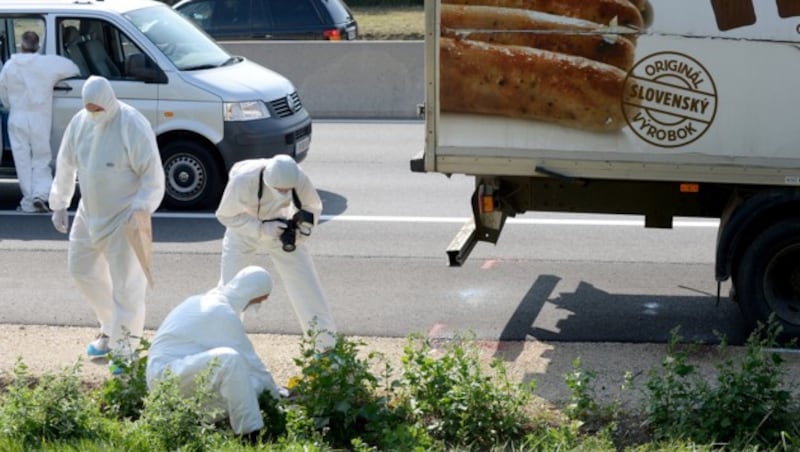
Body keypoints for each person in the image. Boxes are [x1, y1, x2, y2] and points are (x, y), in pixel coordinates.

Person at [49, 75, 165, 363]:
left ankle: (127, 351)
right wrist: (60, 203)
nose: (94, 113)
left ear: (109, 102)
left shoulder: (131, 124)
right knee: (81, 269)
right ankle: (110, 328)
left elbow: (153, 174)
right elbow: (66, 163)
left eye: (98, 108)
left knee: (128, 286)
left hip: (125, 216)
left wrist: (140, 208)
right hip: (89, 213)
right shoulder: (80, 122)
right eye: (89, 108)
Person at [216, 155, 336, 349]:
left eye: (287, 190)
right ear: (267, 181)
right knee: (229, 288)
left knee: (307, 285)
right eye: (280, 189)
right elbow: (225, 215)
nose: (284, 192)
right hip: (243, 230)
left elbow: (312, 207)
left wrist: (300, 232)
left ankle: (325, 348)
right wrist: (259, 229)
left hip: (280, 228)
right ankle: (224, 347)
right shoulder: (243, 179)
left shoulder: (298, 177)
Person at [147, 265, 283, 436]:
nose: (255, 306)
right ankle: (250, 433)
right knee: (231, 359)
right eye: (257, 301)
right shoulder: (222, 312)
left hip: (178, 373)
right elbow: (253, 363)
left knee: (251, 386)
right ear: (251, 294)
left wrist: (272, 392)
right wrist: (279, 405)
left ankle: (193, 419)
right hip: (164, 375)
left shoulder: (208, 301)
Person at [0, 30, 79, 213]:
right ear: (38, 46)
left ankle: (28, 198)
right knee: (41, 158)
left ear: (21, 45)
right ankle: (41, 194)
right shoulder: (47, 63)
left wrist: (9, 104)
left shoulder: (10, 66)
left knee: (22, 160)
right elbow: (73, 68)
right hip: (40, 116)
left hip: (17, 116)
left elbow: (2, 91)